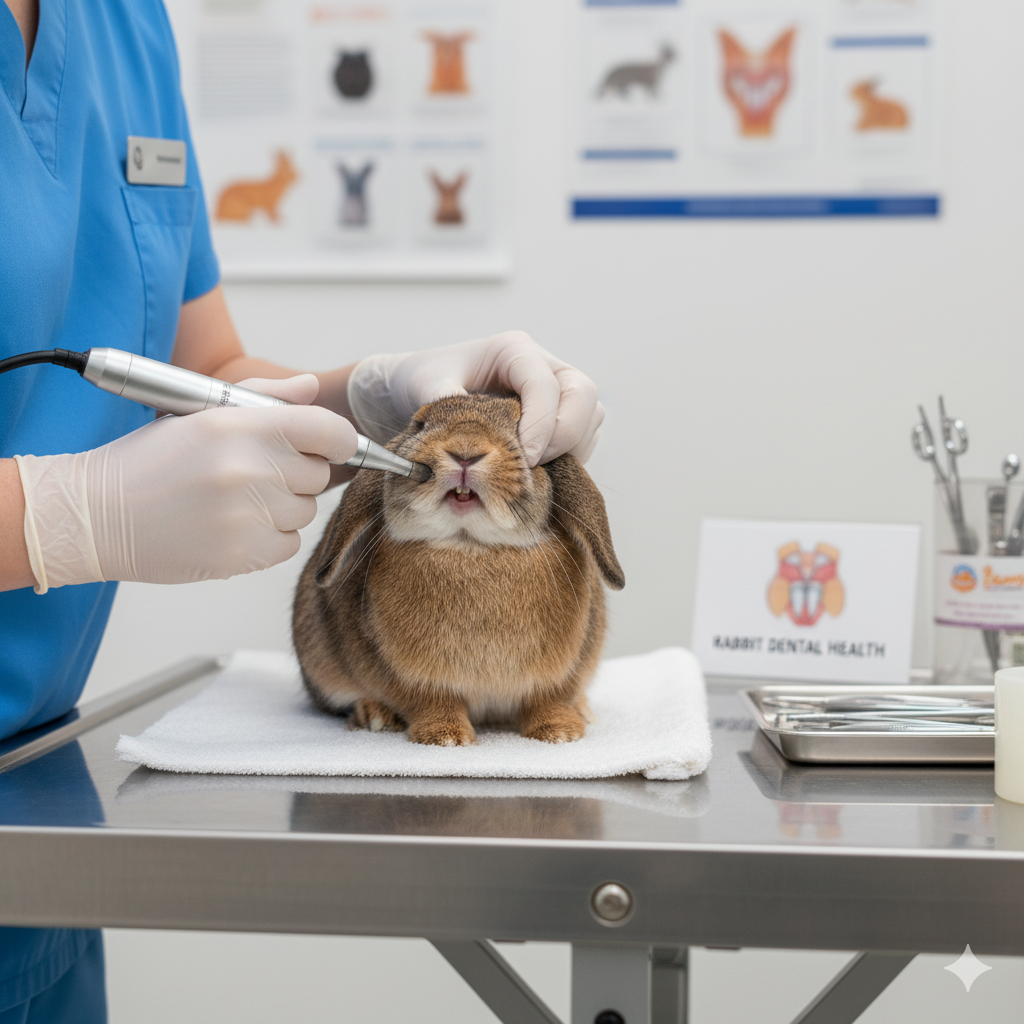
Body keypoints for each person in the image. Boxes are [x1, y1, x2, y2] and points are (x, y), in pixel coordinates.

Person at [0, 0, 603, 1019]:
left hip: (35, 808)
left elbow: (206, 370)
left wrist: (367, 398)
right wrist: (58, 515)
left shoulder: (122, 25)